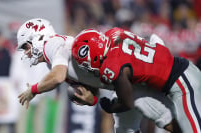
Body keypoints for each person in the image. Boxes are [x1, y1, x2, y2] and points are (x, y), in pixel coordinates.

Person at [17, 18, 178, 133]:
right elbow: (92, 88)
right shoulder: (52, 59)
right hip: (118, 84)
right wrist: (90, 99)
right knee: (125, 129)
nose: (26, 53)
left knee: (166, 120)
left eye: (26, 46)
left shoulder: (51, 45)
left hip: (126, 78)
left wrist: (33, 90)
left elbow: (57, 77)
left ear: (38, 36)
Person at [71, 27, 201, 133]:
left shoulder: (111, 67)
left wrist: (109, 107)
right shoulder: (114, 33)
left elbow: (127, 103)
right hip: (180, 74)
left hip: (182, 83)